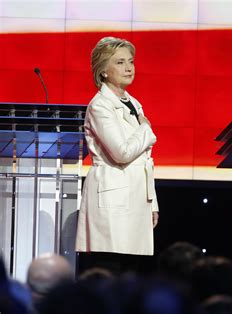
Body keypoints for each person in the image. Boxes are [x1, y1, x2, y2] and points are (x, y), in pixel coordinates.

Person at [75, 36, 159, 274]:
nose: (129, 67)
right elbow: (121, 152)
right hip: (113, 198)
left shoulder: (134, 103)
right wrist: (146, 129)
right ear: (103, 71)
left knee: (130, 273)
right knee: (110, 270)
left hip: (136, 199)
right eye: (120, 62)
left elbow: (145, 161)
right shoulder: (100, 105)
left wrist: (152, 201)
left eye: (130, 61)